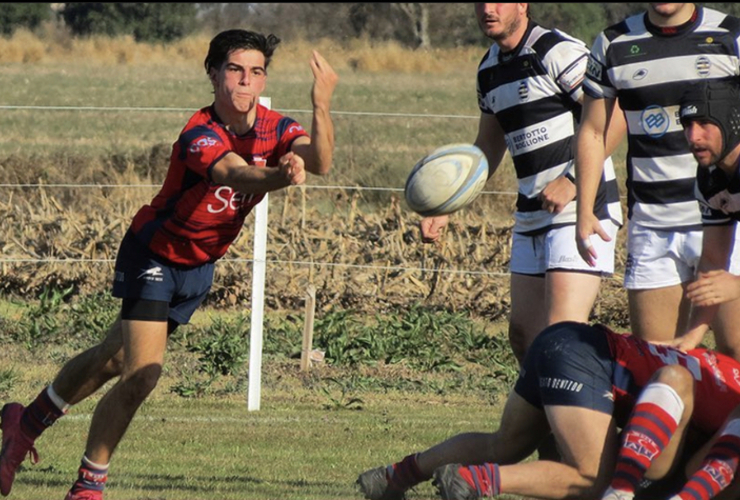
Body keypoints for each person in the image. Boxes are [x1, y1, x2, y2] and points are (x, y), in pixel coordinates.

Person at [0, 29, 338, 500]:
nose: (245, 82)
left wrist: (321, 105)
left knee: (113, 359)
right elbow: (233, 172)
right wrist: (279, 176)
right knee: (143, 375)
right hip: (155, 253)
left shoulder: (276, 127)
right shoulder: (200, 132)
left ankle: (24, 423)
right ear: (213, 74)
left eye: (256, 72)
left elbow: (320, 161)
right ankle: (88, 486)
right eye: (235, 70)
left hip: (199, 266)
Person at [420, 3, 624, 366]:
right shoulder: (488, 70)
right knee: (523, 335)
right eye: (481, 2)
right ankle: (546, 420)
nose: (488, 9)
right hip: (531, 213)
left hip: (581, 207)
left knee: (562, 332)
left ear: (522, 5)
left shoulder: (556, 51)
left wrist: (573, 182)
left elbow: (612, 118)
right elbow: (487, 146)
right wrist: (447, 204)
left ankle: (592, 413)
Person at [356, 321, 740, 500]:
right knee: (591, 478)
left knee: (503, 443)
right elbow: (711, 465)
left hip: (563, 339)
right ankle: (475, 483)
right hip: (592, 361)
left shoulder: (726, 369)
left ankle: (393, 477)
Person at [575, 3, 740, 349]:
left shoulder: (732, 35)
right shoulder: (613, 43)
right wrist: (584, 210)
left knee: (735, 353)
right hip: (652, 225)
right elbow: (592, 131)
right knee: (656, 359)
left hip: (726, 216)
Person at [668, 80, 740, 357]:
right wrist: (691, 336)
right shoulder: (709, 181)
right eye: (687, 125)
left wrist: (736, 285)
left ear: (732, 121)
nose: (693, 136)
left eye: (704, 123)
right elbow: (712, 259)